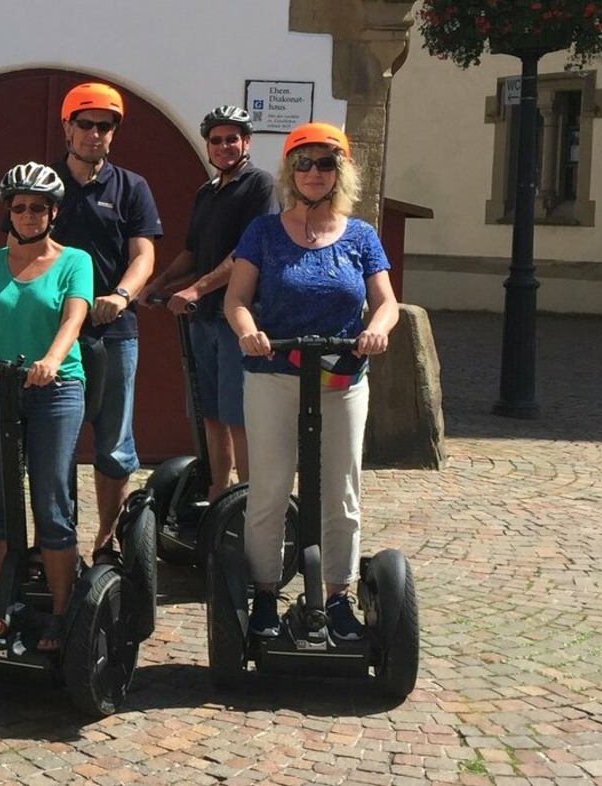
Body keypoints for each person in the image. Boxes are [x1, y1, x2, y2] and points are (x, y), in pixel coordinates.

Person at [224, 122, 398, 642]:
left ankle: (336, 596)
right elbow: (235, 299)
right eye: (304, 163)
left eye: (326, 163)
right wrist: (250, 332)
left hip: (341, 375)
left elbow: (386, 302)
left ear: (341, 171)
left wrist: (376, 331)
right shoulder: (264, 232)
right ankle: (263, 594)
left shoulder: (361, 235)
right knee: (271, 488)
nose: (314, 173)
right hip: (275, 371)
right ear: (290, 172)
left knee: (341, 490)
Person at [0, 162, 93, 651]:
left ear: (53, 212)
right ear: (9, 212)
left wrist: (51, 359)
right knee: (0, 503)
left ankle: (62, 611)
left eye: (38, 207)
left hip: (57, 387)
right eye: (19, 207)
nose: (28, 215)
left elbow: (73, 321)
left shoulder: (75, 261)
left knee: (50, 501)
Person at [140, 106, 278, 501]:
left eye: (231, 139)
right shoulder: (207, 192)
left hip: (237, 318)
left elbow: (247, 252)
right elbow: (192, 250)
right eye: (215, 140)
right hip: (201, 320)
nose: (223, 147)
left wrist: (197, 290)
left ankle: (249, 502)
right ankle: (220, 494)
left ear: (246, 142)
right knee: (210, 414)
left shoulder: (259, 185)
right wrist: (161, 283)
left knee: (238, 416)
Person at [50, 82, 162, 564]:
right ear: (67, 128)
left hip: (114, 333)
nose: (95, 134)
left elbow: (144, 254)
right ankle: (60, 543)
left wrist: (121, 295)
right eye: (87, 124)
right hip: (55, 336)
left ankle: (107, 540)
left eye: (106, 125)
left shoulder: (131, 187)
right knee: (58, 440)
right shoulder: (45, 185)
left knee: (114, 442)